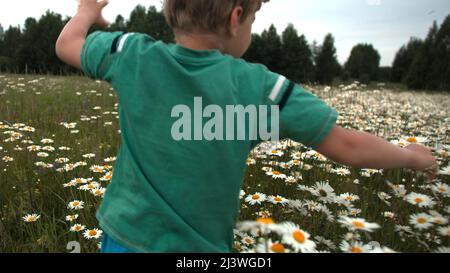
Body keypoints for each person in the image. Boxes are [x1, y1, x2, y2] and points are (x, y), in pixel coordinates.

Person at [55, 0, 438, 253]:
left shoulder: (132, 55)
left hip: (123, 239)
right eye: (254, 18)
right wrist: (410, 156)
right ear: (236, 17)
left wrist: (88, 9)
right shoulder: (261, 89)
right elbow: (348, 147)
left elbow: (67, 43)